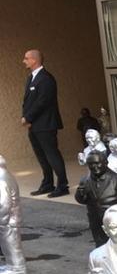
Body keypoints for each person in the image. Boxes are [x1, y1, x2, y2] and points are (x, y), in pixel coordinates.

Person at [21, 49, 68, 198]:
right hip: (34, 125)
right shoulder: (31, 78)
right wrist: (27, 118)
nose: (24, 61)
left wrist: (27, 117)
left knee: (52, 154)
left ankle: (62, 185)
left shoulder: (46, 79)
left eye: (26, 58)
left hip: (46, 125)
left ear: (34, 60)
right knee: (41, 156)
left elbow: (43, 102)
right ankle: (48, 183)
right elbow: (28, 101)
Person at [74, 150, 117, 246]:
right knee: (100, 244)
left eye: (97, 163)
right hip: (95, 219)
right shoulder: (85, 180)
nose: (94, 167)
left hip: (114, 220)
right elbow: (81, 200)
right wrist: (80, 193)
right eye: (91, 164)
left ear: (105, 163)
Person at [0, 155, 26, 274]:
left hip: (8, 219)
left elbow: (4, 203)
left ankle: (17, 267)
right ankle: (11, 265)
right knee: (8, 244)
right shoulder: (6, 176)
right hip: (10, 218)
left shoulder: (2, 180)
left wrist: (3, 219)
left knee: (11, 244)